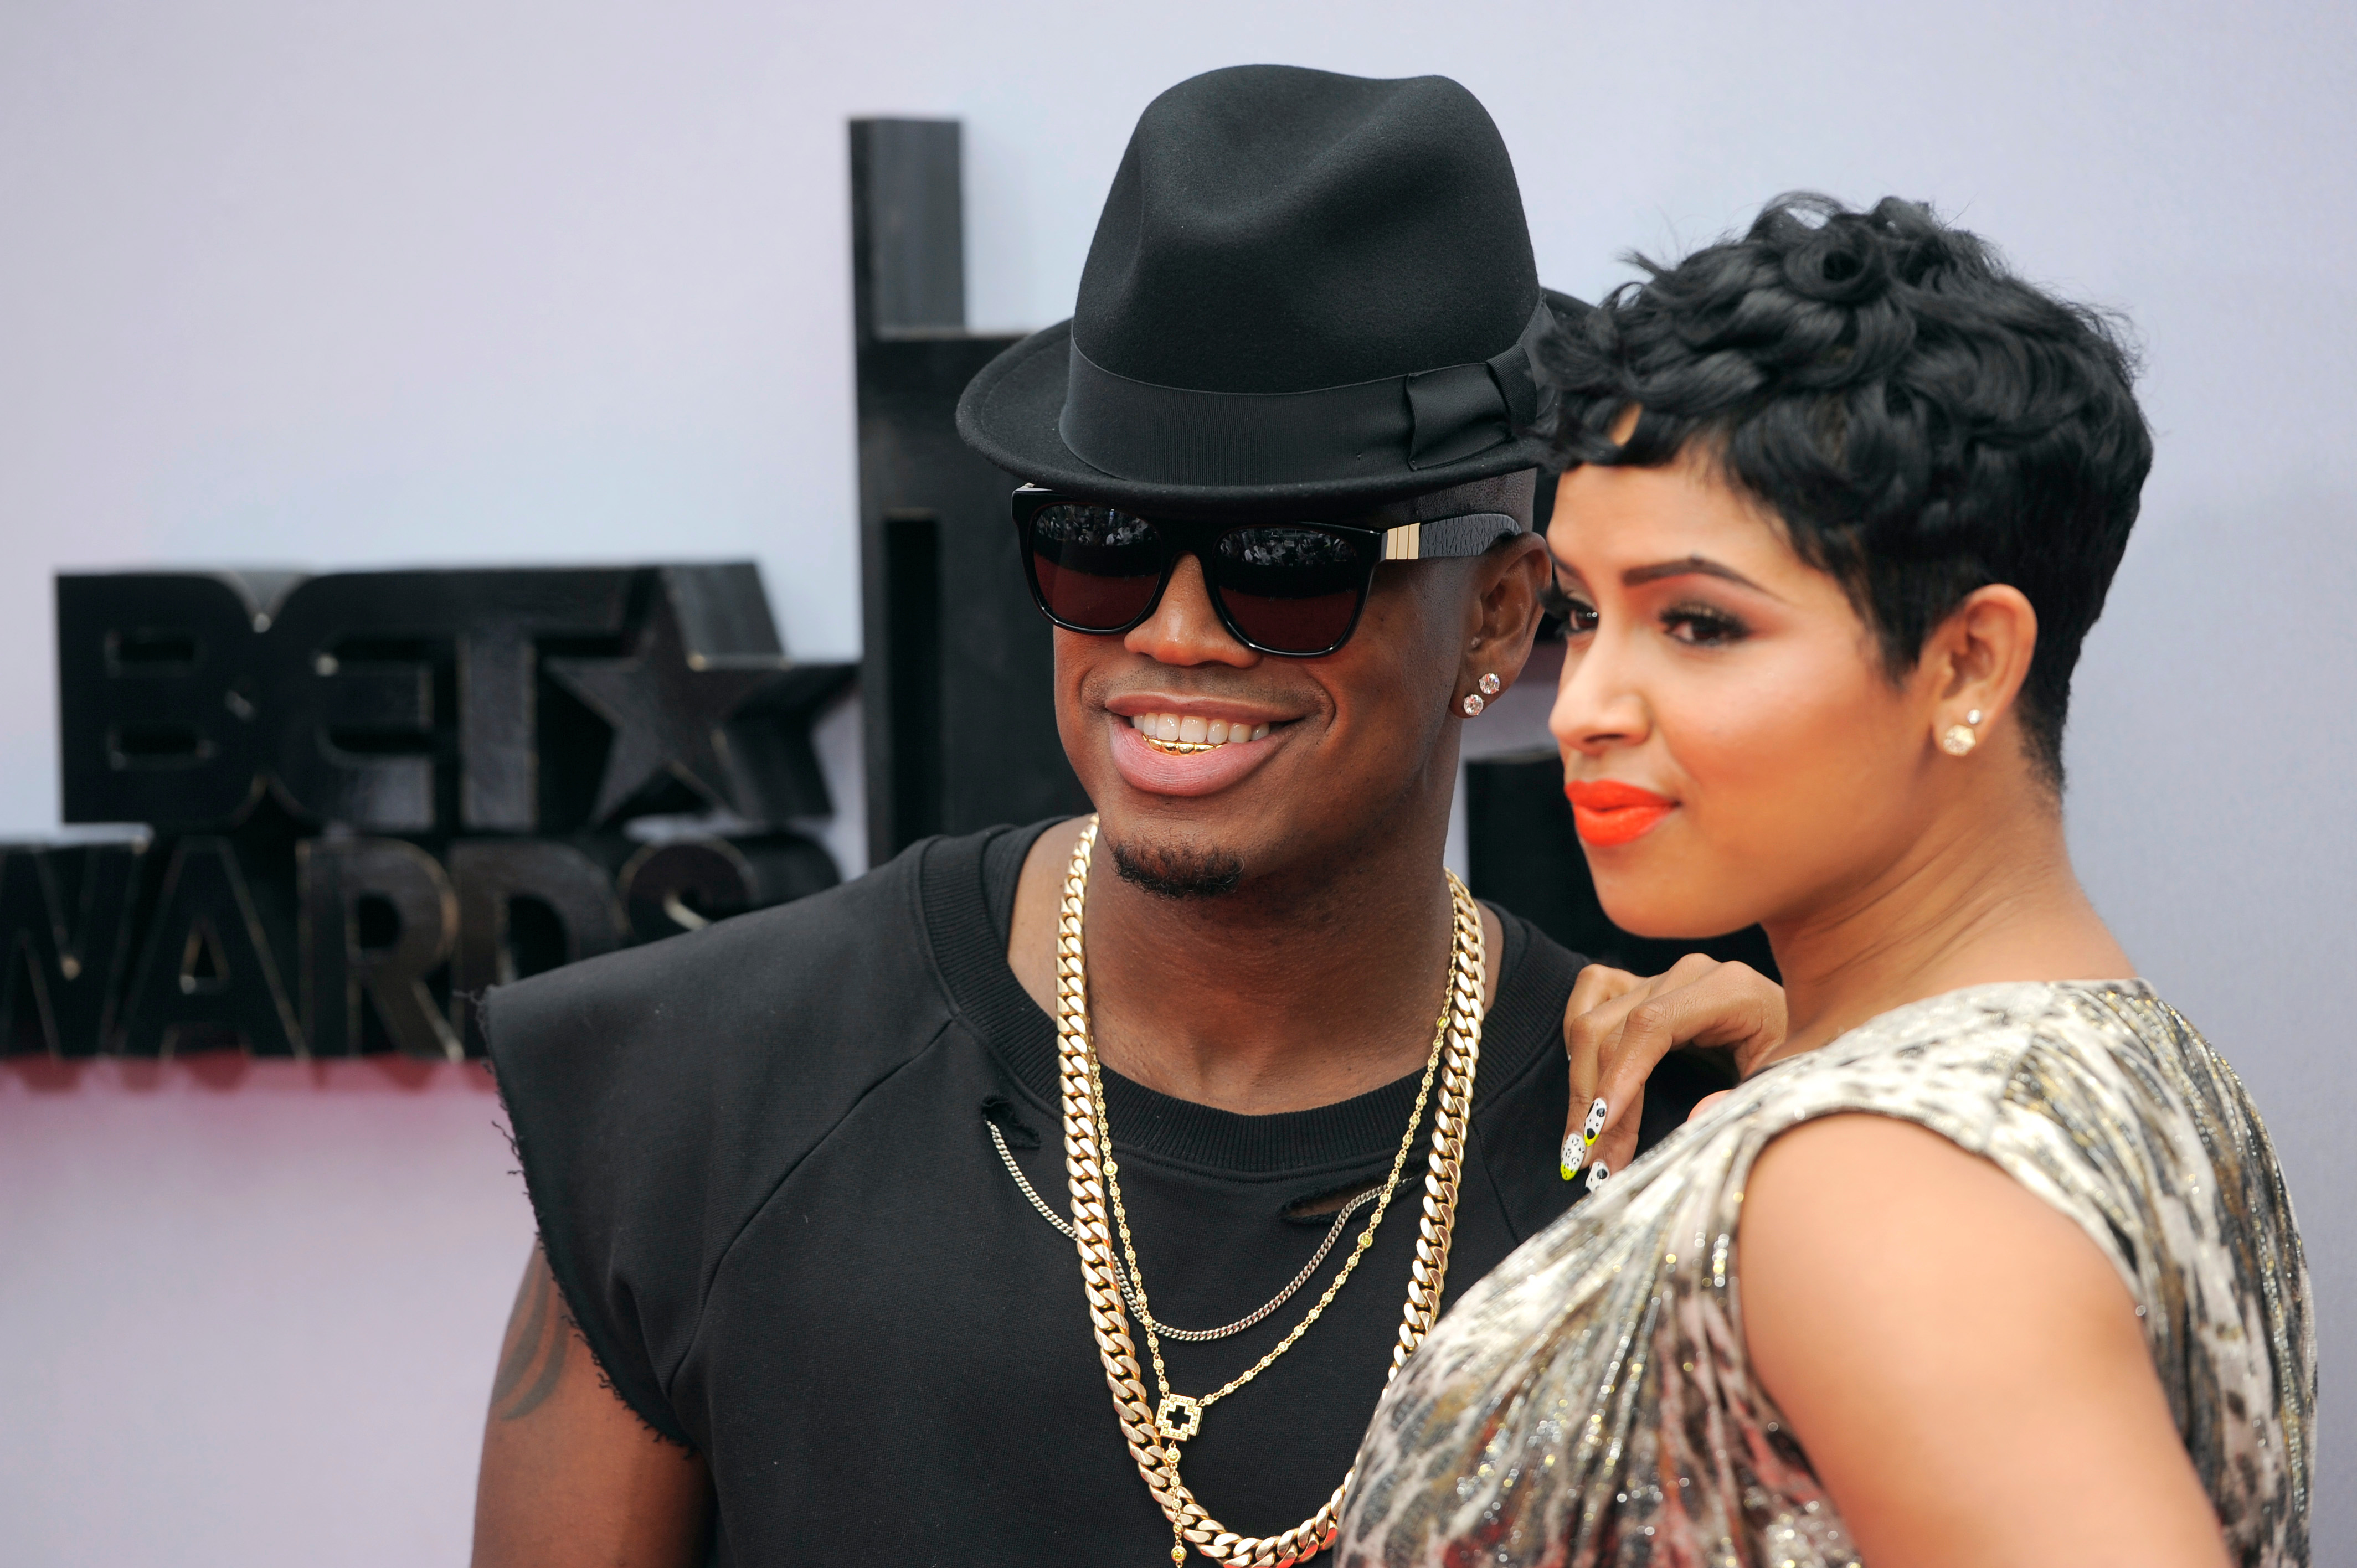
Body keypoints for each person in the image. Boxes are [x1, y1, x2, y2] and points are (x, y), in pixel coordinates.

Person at [468, 67, 1751, 1568]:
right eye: (1100, 544)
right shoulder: (705, 1087)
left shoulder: (1669, 1149)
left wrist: (1833, 1114)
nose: (1174, 632)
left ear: (1499, 613)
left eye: (1288, 560)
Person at [1336, 196, 2314, 1567]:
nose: (1585, 707)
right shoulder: (2130, 1070)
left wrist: (1827, 1140)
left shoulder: (1884, 1185)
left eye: (1697, 624)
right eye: (1583, 616)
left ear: (1967, 663)